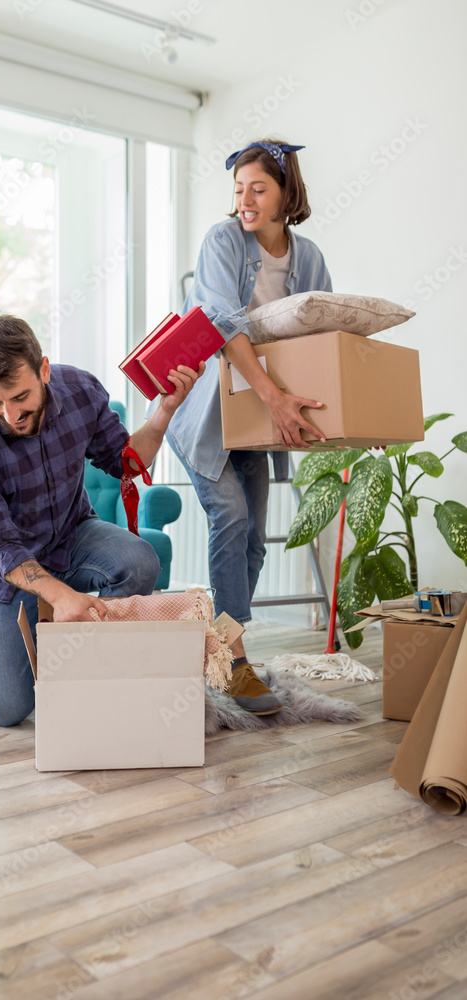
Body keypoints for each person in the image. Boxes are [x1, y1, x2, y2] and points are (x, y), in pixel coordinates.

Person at [0, 314, 203, 728]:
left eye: (20, 396)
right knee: (7, 711)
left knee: (140, 561)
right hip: (7, 572)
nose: (10, 415)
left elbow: (125, 463)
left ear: (43, 369)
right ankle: (56, 634)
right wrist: (61, 597)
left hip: (72, 534)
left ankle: (95, 669)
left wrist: (164, 411)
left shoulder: (81, 390)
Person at [166, 139, 333, 715]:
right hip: (205, 416)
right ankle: (235, 664)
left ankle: (219, 648)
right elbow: (220, 320)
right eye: (238, 189)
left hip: (256, 421)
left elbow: (321, 337)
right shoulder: (221, 240)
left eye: (258, 188)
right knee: (231, 517)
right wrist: (274, 396)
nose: (245, 200)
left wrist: (342, 416)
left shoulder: (306, 257)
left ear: (287, 194)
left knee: (255, 541)